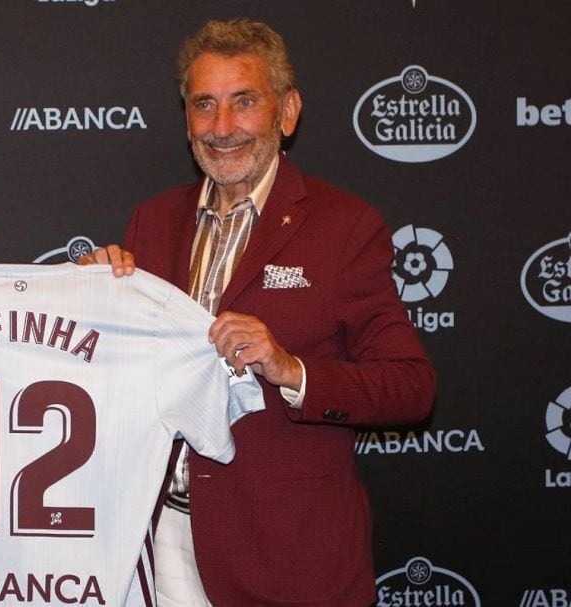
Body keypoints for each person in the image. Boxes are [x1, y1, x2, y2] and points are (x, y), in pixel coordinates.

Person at [92, 17, 436, 607]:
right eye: (205, 105)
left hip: (285, 558)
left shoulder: (344, 227)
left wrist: (290, 369)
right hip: (152, 544)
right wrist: (95, 303)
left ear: (288, 110)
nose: (222, 128)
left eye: (244, 102)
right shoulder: (152, 222)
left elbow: (411, 387)